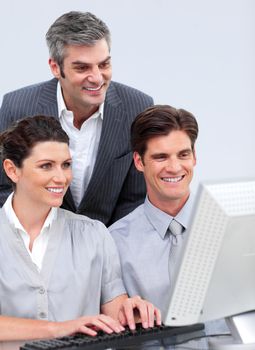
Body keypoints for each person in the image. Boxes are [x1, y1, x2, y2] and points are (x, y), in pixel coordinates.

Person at [0, 115, 161, 342]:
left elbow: (114, 311)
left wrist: (130, 310)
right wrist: (57, 329)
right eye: (46, 166)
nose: (61, 177)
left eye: (66, 165)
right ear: (12, 170)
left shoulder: (94, 235)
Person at [0, 11, 153, 226]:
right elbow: (4, 190)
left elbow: (135, 199)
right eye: (82, 68)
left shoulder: (138, 107)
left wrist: (104, 248)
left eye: (104, 64)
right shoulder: (17, 106)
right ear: (55, 67)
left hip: (110, 245)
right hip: (35, 247)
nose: (97, 78)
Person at [109, 105, 198, 319]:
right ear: (139, 162)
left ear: (194, 157)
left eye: (183, 154)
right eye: (161, 157)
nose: (175, 167)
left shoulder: (232, 228)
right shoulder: (114, 242)